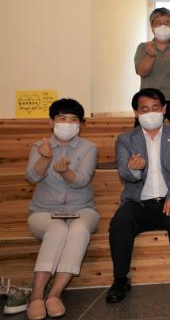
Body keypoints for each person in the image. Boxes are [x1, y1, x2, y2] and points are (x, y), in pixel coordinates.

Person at [106, 88, 170, 303]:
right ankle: (121, 278)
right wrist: (133, 169)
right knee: (120, 222)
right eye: (144, 109)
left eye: (155, 108)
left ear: (164, 109)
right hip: (139, 202)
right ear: (136, 113)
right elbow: (124, 173)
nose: (151, 113)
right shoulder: (126, 140)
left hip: (169, 200)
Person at [24, 99, 99, 320]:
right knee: (57, 230)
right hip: (43, 211)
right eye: (62, 118)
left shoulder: (89, 148)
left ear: (81, 124)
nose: (67, 123)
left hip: (82, 209)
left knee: (79, 229)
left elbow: (82, 180)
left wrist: (65, 172)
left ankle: (55, 294)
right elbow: (32, 177)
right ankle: (36, 295)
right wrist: (45, 158)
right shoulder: (39, 147)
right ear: (51, 122)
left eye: (73, 119)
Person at [134, 7, 170, 131]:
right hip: (149, 97)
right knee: (139, 129)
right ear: (152, 27)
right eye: (158, 23)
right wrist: (150, 55)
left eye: (166, 23)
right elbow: (141, 72)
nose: (162, 26)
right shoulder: (143, 47)